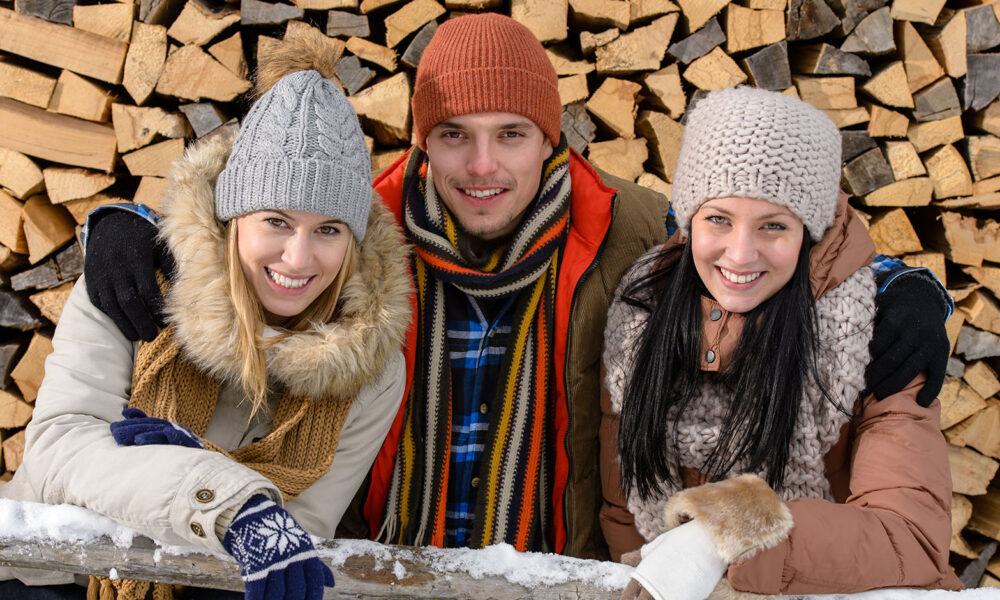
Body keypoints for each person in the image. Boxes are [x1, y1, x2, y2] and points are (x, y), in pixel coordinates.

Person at [81, 13, 952, 561]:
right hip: (378, 561)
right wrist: (123, 221)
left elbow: (758, 244)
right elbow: (244, 217)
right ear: (422, 141)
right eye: (454, 134)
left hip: (554, 567)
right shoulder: (358, 231)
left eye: (513, 133)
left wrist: (900, 283)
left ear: (553, 137)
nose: (484, 165)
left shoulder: (629, 226)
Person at [0, 43, 411, 600]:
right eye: (276, 221)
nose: (298, 258)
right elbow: (60, 453)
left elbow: (301, 531)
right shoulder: (136, 284)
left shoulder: (373, 368)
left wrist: (207, 478)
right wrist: (219, 495)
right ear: (233, 215)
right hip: (46, 575)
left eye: (329, 230)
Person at [601, 87, 961, 600]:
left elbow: (911, 538)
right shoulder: (640, 320)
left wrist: (726, 535)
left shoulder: (880, 335)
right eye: (718, 219)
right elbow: (623, 510)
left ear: (808, 233)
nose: (740, 254)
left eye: (774, 226)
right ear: (687, 221)